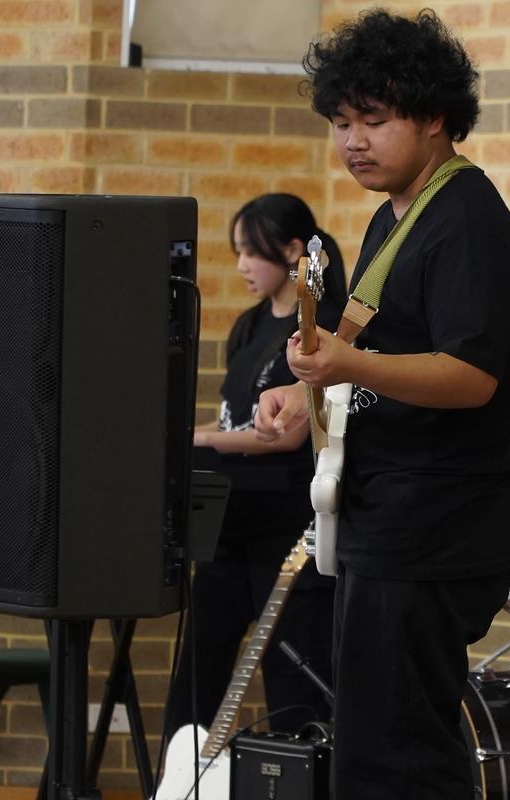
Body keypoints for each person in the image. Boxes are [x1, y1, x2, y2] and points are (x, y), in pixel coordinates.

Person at [255, 9, 510, 798]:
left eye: (374, 121)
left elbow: (470, 376)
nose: (353, 142)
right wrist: (300, 386)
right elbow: (355, 339)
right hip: (391, 512)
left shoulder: (467, 222)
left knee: (401, 758)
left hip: (438, 518)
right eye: (342, 123)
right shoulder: (397, 215)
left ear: (435, 117)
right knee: (371, 746)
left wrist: (346, 364)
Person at [164, 193, 346, 740]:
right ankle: (183, 772)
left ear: (292, 251)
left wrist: (194, 438)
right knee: (197, 675)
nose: (241, 265)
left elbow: (285, 435)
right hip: (231, 524)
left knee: (292, 687)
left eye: (251, 252)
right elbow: (233, 419)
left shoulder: (321, 325)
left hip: (288, 533)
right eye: (237, 252)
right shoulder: (248, 325)